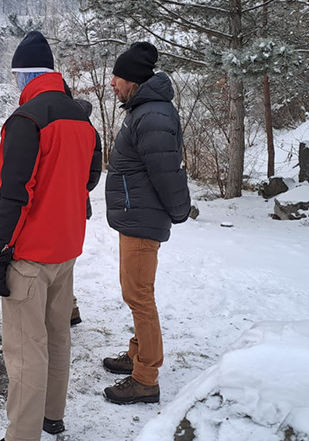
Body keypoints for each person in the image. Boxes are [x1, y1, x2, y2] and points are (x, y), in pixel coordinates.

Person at [0, 31, 101, 441]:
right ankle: (51, 415)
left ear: (23, 74)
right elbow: (89, 180)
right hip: (67, 249)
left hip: (31, 254)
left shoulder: (26, 119)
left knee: (27, 347)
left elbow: (15, 195)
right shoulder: (84, 120)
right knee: (57, 334)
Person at [101, 42, 190, 405]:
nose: (112, 84)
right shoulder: (144, 110)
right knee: (134, 293)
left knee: (139, 297)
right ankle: (137, 353)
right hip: (135, 216)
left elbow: (166, 172)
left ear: (134, 80)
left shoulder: (152, 115)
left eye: (117, 77)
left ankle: (145, 377)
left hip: (142, 219)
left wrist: (179, 210)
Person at [70, 98, 103, 327]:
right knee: (66, 260)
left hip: (69, 205)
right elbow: (94, 175)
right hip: (79, 204)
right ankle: (70, 307)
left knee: (60, 261)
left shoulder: (76, 132)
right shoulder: (91, 132)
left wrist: (75, 191)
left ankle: (68, 307)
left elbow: (91, 176)